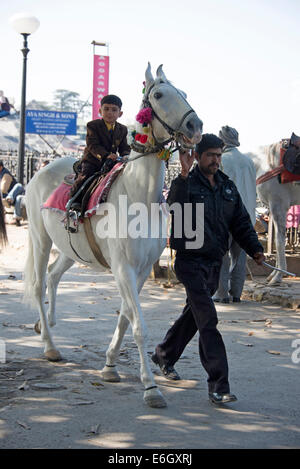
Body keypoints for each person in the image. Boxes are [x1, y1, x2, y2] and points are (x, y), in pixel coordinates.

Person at [152, 133, 265, 404]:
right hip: (190, 262)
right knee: (208, 319)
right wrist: (183, 173)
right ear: (199, 156)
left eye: (218, 155)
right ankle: (219, 385)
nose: (215, 160)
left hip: (215, 263)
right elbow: (175, 207)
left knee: (194, 315)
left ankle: (164, 354)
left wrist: (255, 249)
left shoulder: (227, 186)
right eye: (210, 155)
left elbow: (241, 222)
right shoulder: (187, 184)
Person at [213, 126, 257, 303]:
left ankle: (221, 294)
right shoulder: (248, 161)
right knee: (239, 258)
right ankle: (236, 293)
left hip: (226, 216)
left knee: (221, 255)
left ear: (222, 141)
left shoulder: (221, 160)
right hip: (246, 217)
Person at [69, 94, 131, 205]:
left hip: (111, 162)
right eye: (106, 109)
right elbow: (93, 145)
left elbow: (124, 147)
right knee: (85, 177)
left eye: (114, 110)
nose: (110, 113)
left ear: (120, 114)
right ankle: (75, 202)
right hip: (93, 161)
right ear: (100, 111)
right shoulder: (93, 125)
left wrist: (126, 155)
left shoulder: (122, 129)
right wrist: (106, 155)